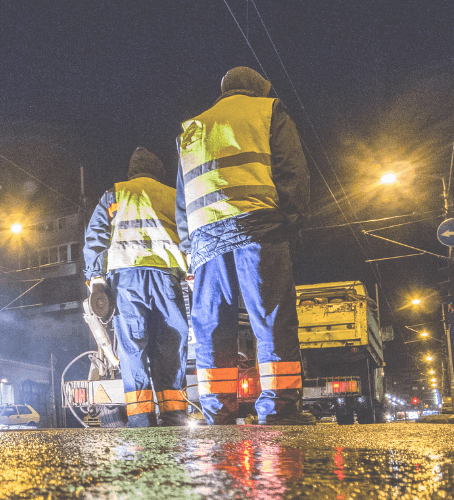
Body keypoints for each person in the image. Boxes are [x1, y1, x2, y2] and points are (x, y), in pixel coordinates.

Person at [174, 66, 312, 425]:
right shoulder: (268, 111)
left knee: (212, 327)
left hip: (206, 243)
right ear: (258, 88)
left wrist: (190, 247)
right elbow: (291, 171)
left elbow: (183, 198)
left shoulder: (192, 129)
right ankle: (278, 409)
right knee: (271, 318)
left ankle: (218, 411)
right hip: (259, 228)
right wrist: (292, 221)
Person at [83, 147, 192, 428]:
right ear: (158, 170)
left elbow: (95, 237)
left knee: (133, 350)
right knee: (170, 345)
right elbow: (189, 234)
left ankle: (141, 419)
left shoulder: (114, 194)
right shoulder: (172, 195)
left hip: (126, 281)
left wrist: (96, 279)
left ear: (131, 171)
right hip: (166, 278)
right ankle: (174, 416)